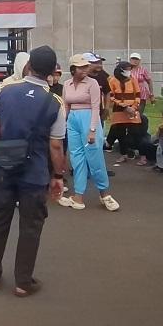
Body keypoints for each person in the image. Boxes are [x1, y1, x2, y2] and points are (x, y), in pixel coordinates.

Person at [0, 46, 67, 298]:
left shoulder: (5, 90)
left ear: (28, 66)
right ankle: (22, 282)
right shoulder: (55, 103)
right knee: (30, 226)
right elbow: (56, 145)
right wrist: (58, 176)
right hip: (35, 172)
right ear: (51, 72)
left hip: (4, 166)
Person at [58, 55, 118, 211]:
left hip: (89, 119)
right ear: (73, 69)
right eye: (81, 67)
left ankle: (105, 194)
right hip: (73, 120)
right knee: (77, 158)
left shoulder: (93, 83)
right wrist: (62, 125)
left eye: (86, 66)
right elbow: (66, 106)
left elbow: (96, 107)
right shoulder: (67, 84)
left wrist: (92, 130)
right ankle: (78, 196)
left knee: (95, 157)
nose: (85, 69)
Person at [107, 61, 144, 165]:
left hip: (132, 111)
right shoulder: (113, 81)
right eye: (127, 69)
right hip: (119, 110)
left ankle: (143, 155)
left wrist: (134, 107)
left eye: (130, 69)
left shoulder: (133, 80)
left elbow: (138, 95)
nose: (129, 71)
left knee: (137, 133)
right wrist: (123, 106)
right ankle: (123, 154)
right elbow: (111, 96)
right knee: (120, 133)